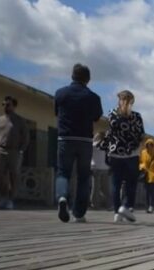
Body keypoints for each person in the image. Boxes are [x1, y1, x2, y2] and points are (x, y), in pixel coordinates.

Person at [54, 63, 103, 223]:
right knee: (83, 177)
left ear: (72, 76)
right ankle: (79, 213)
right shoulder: (93, 98)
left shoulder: (60, 94)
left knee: (63, 173)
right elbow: (96, 117)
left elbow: (56, 112)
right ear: (88, 79)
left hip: (65, 139)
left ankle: (62, 198)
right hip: (84, 141)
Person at [97, 90, 144, 223]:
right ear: (132, 102)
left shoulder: (112, 114)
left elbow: (111, 132)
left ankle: (117, 213)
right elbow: (141, 136)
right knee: (131, 184)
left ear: (119, 100)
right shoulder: (137, 116)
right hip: (131, 154)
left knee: (116, 184)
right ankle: (126, 206)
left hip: (115, 153)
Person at [0, 96, 28, 210]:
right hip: (0, 150)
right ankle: (3, 197)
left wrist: (21, 149)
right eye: (4, 104)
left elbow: (26, 137)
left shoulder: (20, 120)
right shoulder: (0, 119)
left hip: (15, 151)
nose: (5, 107)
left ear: (14, 106)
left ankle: (10, 200)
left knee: (14, 175)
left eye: (8, 104)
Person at [139, 137, 154, 214]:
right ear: (146, 145)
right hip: (145, 174)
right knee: (146, 192)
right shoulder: (143, 153)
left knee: (151, 192)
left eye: (151, 144)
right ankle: (147, 206)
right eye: (148, 144)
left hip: (153, 176)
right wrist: (141, 167)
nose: (149, 146)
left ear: (153, 145)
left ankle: (151, 206)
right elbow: (140, 162)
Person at [90, 132, 109, 209]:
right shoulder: (95, 144)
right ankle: (97, 204)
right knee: (98, 188)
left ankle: (99, 204)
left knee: (100, 188)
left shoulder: (105, 145)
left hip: (101, 168)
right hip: (98, 168)